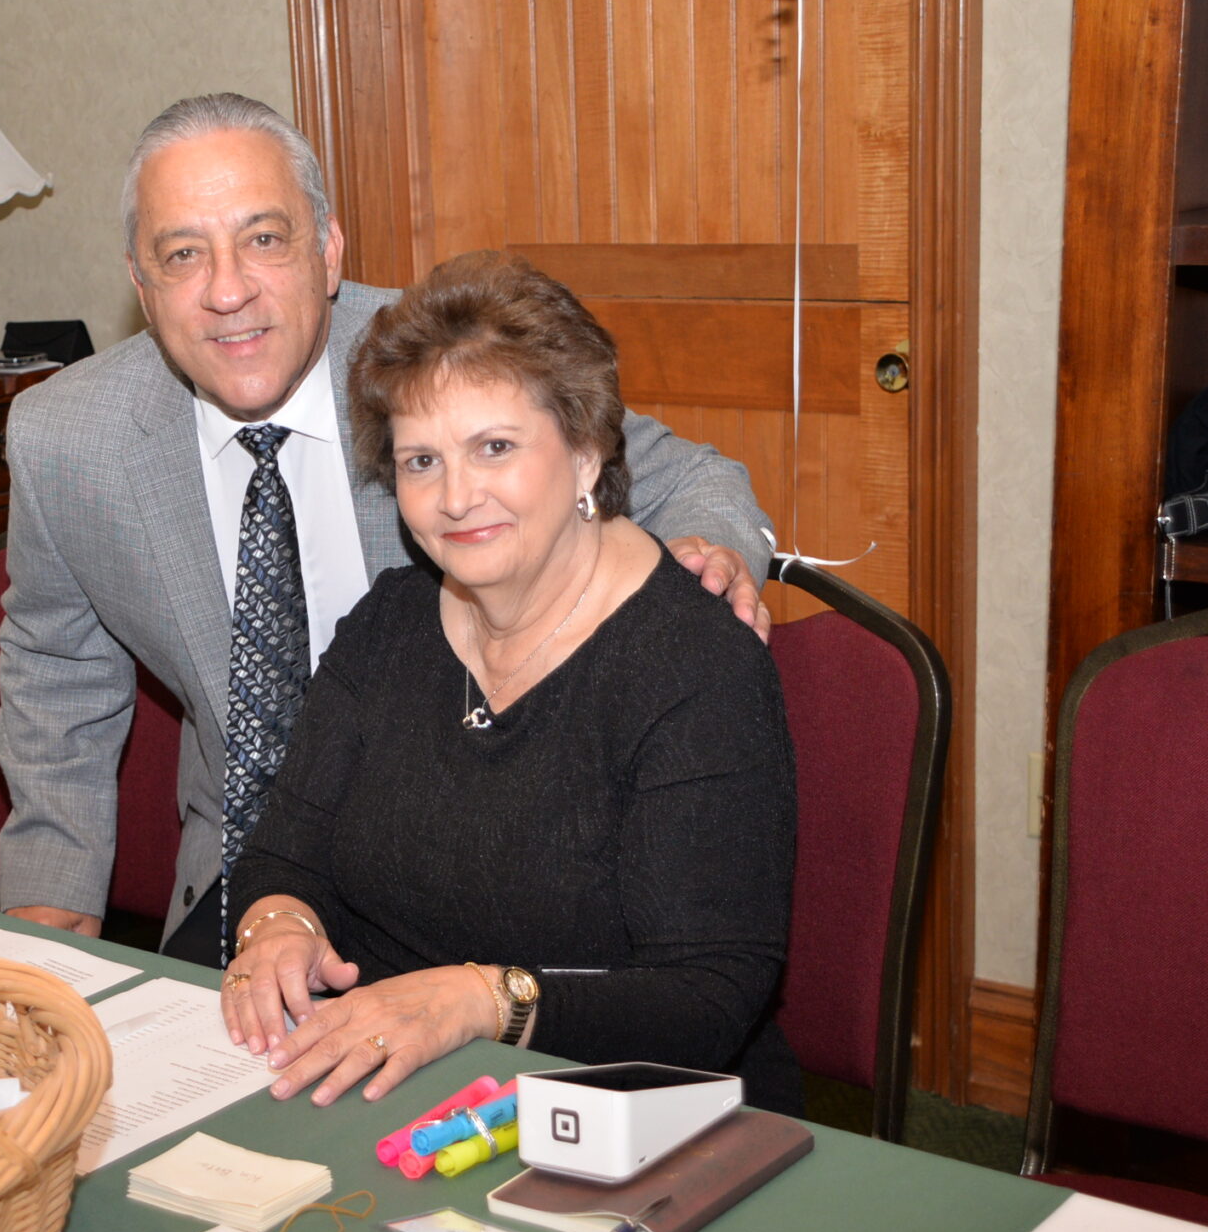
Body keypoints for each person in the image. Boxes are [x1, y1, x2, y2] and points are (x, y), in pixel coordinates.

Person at [0, 93, 776, 965]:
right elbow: (56, 673)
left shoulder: (435, 364)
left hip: (470, 868)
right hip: (250, 879)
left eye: (264, 238)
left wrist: (708, 559)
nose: (227, 290)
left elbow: (696, 479)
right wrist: (48, 920)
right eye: (183, 254)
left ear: (328, 250)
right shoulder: (70, 439)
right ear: (140, 287)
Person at [219, 252, 800, 1114]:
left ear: (587, 451)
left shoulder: (696, 666)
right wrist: (278, 927)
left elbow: (706, 999)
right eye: (422, 461)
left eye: (495, 447)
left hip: (630, 1109)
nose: (456, 497)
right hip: (385, 1081)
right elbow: (283, 853)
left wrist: (481, 1000)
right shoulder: (389, 624)